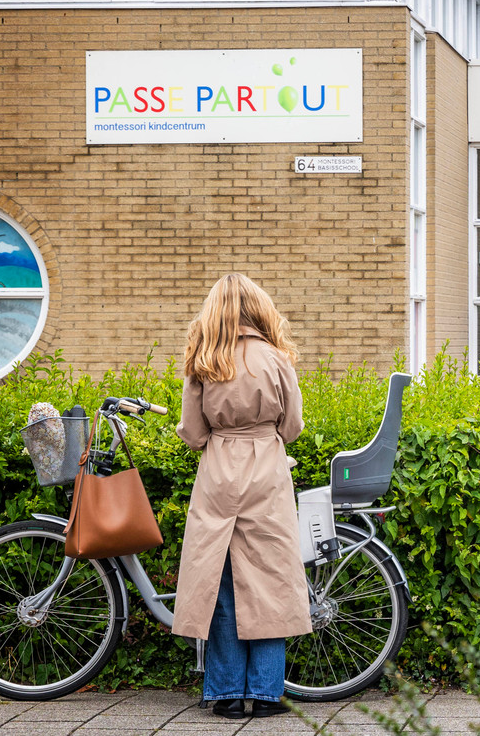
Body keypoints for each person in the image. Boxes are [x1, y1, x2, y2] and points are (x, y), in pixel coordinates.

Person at [171, 273, 311, 720]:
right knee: (270, 583)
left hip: (218, 474)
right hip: (266, 472)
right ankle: (268, 694)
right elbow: (292, 428)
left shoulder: (204, 361)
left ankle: (227, 694)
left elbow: (193, 434)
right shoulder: (275, 358)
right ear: (258, 309)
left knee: (222, 584)